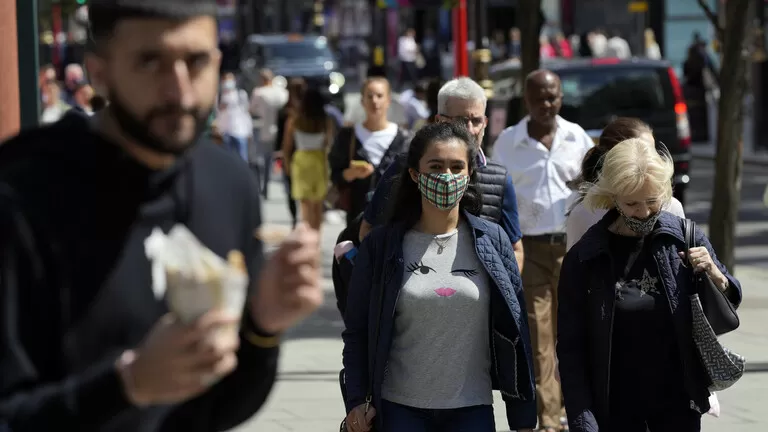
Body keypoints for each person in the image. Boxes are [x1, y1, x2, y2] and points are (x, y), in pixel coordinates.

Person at [0, 1, 323, 431]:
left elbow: (215, 410)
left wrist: (264, 327)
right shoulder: (21, 194)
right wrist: (128, 386)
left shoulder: (228, 183)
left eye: (196, 62)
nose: (180, 92)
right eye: (150, 62)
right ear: (99, 72)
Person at [341, 121, 536, 432]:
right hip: (400, 410)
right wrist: (356, 401)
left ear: (469, 173)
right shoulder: (382, 245)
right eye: (435, 166)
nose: (446, 176)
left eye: (457, 167)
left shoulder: (493, 240)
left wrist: (524, 417)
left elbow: (516, 329)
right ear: (415, 174)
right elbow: (358, 331)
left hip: (472, 409)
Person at [557, 138, 742, 432]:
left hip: (678, 407)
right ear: (612, 197)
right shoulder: (584, 258)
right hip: (614, 411)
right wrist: (582, 419)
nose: (643, 213)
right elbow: (570, 350)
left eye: (652, 201)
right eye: (631, 203)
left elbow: (731, 299)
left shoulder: (684, 237)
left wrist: (716, 276)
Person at [492, 69, 594, 432]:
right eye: (539, 98)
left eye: (553, 97)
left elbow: (591, 190)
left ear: (561, 98)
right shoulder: (507, 143)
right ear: (526, 99)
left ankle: (573, 408)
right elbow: (497, 198)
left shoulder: (576, 137)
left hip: (571, 249)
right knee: (539, 335)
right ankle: (549, 420)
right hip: (530, 250)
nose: (546, 105)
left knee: (572, 331)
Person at [360, 77, 523, 270]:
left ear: (485, 122)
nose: (470, 130)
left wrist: (502, 288)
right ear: (439, 121)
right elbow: (368, 230)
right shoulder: (406, 167)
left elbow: (515, 249)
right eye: (462, 120)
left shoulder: (499, 178)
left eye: (476, 120)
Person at [566, 117, 685, 251]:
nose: (644, 213)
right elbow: (573, 267)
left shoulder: (671, 207)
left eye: (652, 152)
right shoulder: (584, 213)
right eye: (631, 203)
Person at [328, 77, 409, 228]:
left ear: (388, 100)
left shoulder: (404, 139)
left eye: (379, 96)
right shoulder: (348, 136)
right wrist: (350, 174)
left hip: (394, 220)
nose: (374, 101)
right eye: (369, 96)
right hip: (357, 217)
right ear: (362, 101)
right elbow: (335, 174)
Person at [282, 87, 335, 231]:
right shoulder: (325, 120)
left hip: (301, 161)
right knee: (318, 206)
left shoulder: (294, 120)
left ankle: (308, 240)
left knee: (305, 206)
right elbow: (328, 143)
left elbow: (286, 147)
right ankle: (316, 240)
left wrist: (287, 165)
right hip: (319, 161)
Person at [251, 69, 289, 198]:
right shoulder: (283, 93)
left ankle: (264, 187)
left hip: (264, 131)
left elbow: (251, 110)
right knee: (279, 160)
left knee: (263, 161)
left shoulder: (259, 93)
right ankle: (285, 187)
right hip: (280, 133)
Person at [275, 78, 306, 228]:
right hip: (292, 154)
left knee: (297, 191)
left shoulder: (307, 111)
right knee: (292, 190)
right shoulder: (285, 112)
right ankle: (296, 220)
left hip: (300, 155)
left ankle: (301, 220)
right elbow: (281, 135)